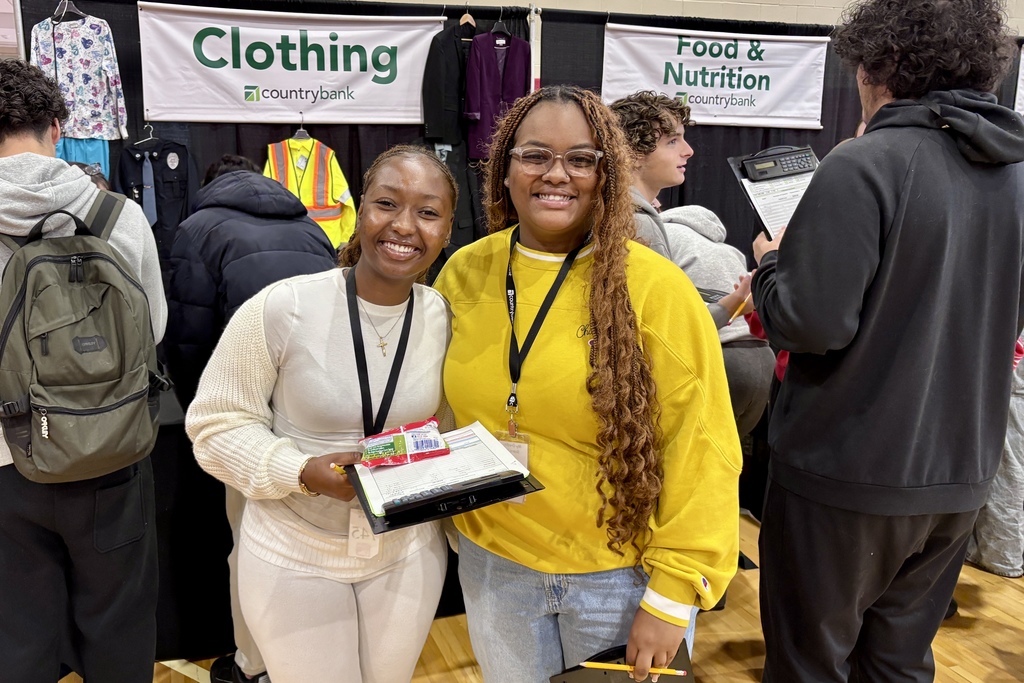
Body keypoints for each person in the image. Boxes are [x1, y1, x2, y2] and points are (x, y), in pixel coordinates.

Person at [749, 1, 1024, 680]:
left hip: (846, 472)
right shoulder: (1018, 175)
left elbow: (812, 323)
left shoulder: (862, 163)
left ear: (878, 66)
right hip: (959, 475)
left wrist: (770, 267)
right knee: (899, 663)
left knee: (811, 664)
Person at [432, 84, 742, 683]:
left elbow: (701, 446)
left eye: (581, 158)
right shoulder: (467, 271)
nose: (557, 174)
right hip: (495, 568)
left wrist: (674, 593)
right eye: (535, 155)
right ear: (504, 169)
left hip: (618, 581)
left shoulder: (654, 288)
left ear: (607, 172)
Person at [185, 145, 457, 683]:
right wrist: (300, 472)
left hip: (405, 551)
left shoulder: (444, 317)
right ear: (359, 210)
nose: (404, 226)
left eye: (427, 212)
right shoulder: (283, 306)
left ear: (448, 229)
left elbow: (447, 427)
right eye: (387, 204)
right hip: (294, 549)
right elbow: (214, 424)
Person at [0, 59, 166, 682]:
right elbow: (153, 328)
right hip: (112, 453)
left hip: (5, 461)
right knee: (119, 622)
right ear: (58, 126)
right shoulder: (115, 214)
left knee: (17, 632)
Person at [164, 153, 339, 683]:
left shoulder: (197, 229)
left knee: (251, 542)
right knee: (317, 542)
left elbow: (187, 338)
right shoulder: (310, 227)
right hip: (319, 407)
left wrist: (211, 422)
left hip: (250, 412)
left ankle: (253, 665)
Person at [611, 91, 774, 438]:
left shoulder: (630, 214)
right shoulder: (637, 223)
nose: (688, 151)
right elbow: (664, 331)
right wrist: (735, 303)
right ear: (632, 153)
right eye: (672, 141)